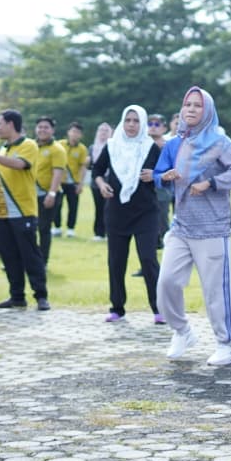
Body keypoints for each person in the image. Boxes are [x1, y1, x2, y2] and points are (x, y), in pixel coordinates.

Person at [154, 86, 231, 365]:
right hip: (181, 226)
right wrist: (165, 176)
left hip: (212, 228)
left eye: (197, 105)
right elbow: (159, 174)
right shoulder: (176, 142)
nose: (191, 110)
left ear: (207, 110)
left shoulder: (220, 141)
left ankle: (225, 344)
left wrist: (212, 183)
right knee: (167, 282)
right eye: (187, 105)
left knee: (214, 291)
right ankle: (182, 331)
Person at [92, 105, 163, 323]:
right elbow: (97, 171)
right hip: (116, 212)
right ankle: (117, 308)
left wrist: (155, 175)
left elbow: (164, 174)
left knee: (148, 259)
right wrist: (102, 184)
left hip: (146, 213)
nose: (131, 125)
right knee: (116, 261)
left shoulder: (151, 147)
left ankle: (160, 309)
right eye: (128, 120)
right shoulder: (112, 146)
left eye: (136, 121)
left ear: (142, 124)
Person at [0, 110, 49, 310]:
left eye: (0, 124)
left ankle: (41, 296)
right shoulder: (3, 149)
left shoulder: (28, 145)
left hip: (22, 212)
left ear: (11, 124)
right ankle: (17, 296)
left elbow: (20, 165)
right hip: (1, 214)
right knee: (9, 257)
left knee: (30, 255)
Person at [32, 117, 67, 259]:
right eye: (39, 127)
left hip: (47, 194)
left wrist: (51, 193)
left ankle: (42, 260)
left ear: (52, 130)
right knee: (28, 228)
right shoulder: (31, 146)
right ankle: (29, 258)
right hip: (30, 194)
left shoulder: (57, 149)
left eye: (46, 127)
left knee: (44, 228)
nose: (42, 130)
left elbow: (58, 172)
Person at [146, 114, 172, 248]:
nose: (153, 127)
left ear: (164, 128)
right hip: (144, 190)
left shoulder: (168, 146)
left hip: (162, 189)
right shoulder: (142, 144)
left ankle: (167, 244)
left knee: (162, 219)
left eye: (157, 124)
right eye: (150, 124)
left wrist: (156, 175)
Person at [60, 122, 88, 237]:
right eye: (73, 131)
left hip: (73, 182)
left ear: (80, 135)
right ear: (68, 132)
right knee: (57, 205)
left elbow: (83, 166)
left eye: (77, 132)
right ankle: (57, 227)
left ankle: (71, 228)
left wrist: (80, 183)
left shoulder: (82, 149)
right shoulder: (60, 144)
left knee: (73, 206)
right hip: (60, 181)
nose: (75, 134)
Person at [88, 122, 112, 241]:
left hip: (109, 180)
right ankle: (99, 232)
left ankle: (109, 232)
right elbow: (91, 166)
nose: (103, 133)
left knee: (108, 208)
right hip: (96, 182)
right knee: (98, 207)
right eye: (101, 130)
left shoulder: (112, 146)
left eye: (106, 130)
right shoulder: (92, 147)